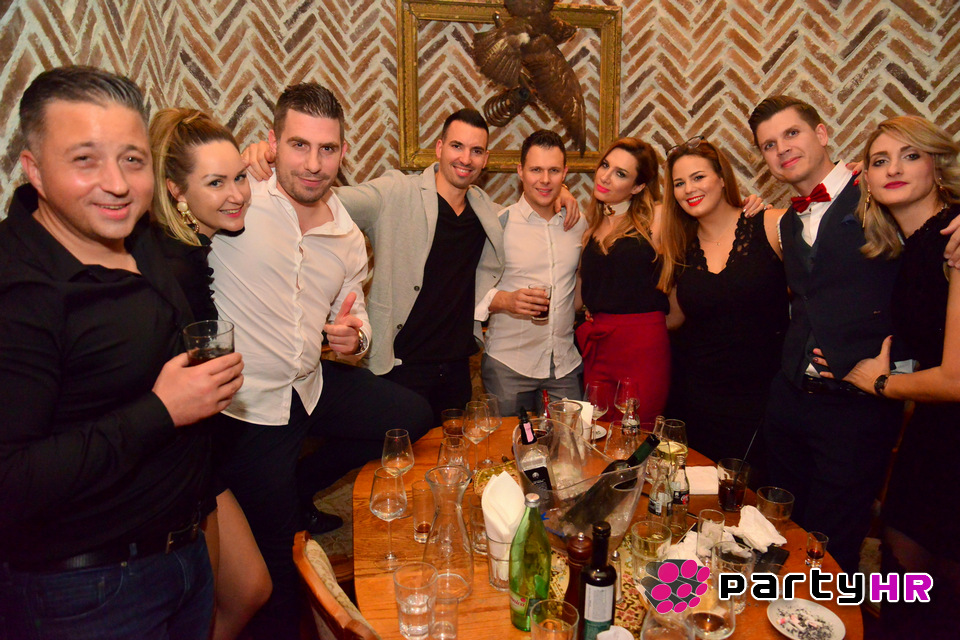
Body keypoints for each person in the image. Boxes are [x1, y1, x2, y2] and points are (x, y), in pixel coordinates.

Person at [0, 66, 244, 639]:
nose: (117, 184)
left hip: (182, 555)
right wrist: (162, 410)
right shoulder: (20, 291)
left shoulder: (136, 236)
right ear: (34, 169)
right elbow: (10, 479)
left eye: (132, 160)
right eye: (85, 160)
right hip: (89, 590)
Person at [208, 82, 432, 640]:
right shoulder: (240, 201)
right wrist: (238, 165)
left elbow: (355, 317)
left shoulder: (347, 235)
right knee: (282, 567)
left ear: (342, 152)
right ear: (272, 143)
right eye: (299, 145)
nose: (313, 164)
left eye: (327, 149)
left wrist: (356, 338)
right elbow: (183, 195)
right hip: (250, 404)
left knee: (410, 416)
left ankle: (303, 483)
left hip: (310, 383)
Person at [243, 109, 580, 424]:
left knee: (451, 457)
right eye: (457, 146)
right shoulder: (396, 192)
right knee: (393, 457)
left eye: (476, 151)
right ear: (439, 148)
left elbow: (533, 201)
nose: (466, 158)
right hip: (401, 367)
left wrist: (560, 192)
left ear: (485, 159)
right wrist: (272, 164)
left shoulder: (486, 212)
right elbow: (327, 197)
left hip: (456, 370)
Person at [747, 95, 910, 574]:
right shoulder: (788, 220)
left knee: (833, 547)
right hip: (791, 403)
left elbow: (922, 276)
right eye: (769, 145)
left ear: (821, 134)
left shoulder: (876, 191)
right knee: (779, 535)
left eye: (791, 133)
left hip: (856, 410)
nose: (782, 149)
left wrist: (898, 364)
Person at [831, 116, 959, 635]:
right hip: (930, 428)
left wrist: (878, 382)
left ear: (937, 164)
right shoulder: (909, 248)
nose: (894, 169)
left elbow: (955, 379)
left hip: (948, 425)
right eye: (880, 161)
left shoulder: (952, 238)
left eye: (910, 155)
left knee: (931, 589)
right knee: (908, 578)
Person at [149, 107, 271, 640]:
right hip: (178, 462)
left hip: (203, 451)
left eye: (240, 177)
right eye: (216, 183)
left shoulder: (193, 247)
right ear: (176, 190)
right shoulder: (171, 264)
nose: (237, 194)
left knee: (250, 589)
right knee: (203, 610)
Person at [658, 137, 787, 472]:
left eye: (698, 177)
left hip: (760, 400)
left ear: (721, 178)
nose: (689, 189)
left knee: (751, 494)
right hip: (695, 397)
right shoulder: (680, 246)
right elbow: (674, 319)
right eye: (679, 183)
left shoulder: (771, 225)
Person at [475, 130, 586, 415]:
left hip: (564, 365)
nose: (545, 179)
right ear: (520, 171)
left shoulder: (578, 224)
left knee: (569, 440)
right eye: (536, 170)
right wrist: (506, 300)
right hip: (509, 365)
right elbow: (469, 286)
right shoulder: (499, 225)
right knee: (509, 443)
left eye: (553, 171)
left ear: (565, 173)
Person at [575, 137, 670, 423]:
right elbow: (581, 293)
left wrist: (750, 205)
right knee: (598, 431)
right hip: (599, 345)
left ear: (638, 186)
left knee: (637, 431)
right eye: (605, 165)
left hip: (642, 348)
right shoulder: (590, 228)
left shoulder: (658, 218)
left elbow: (709, 216)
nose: (605, 176)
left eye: (621, 173)